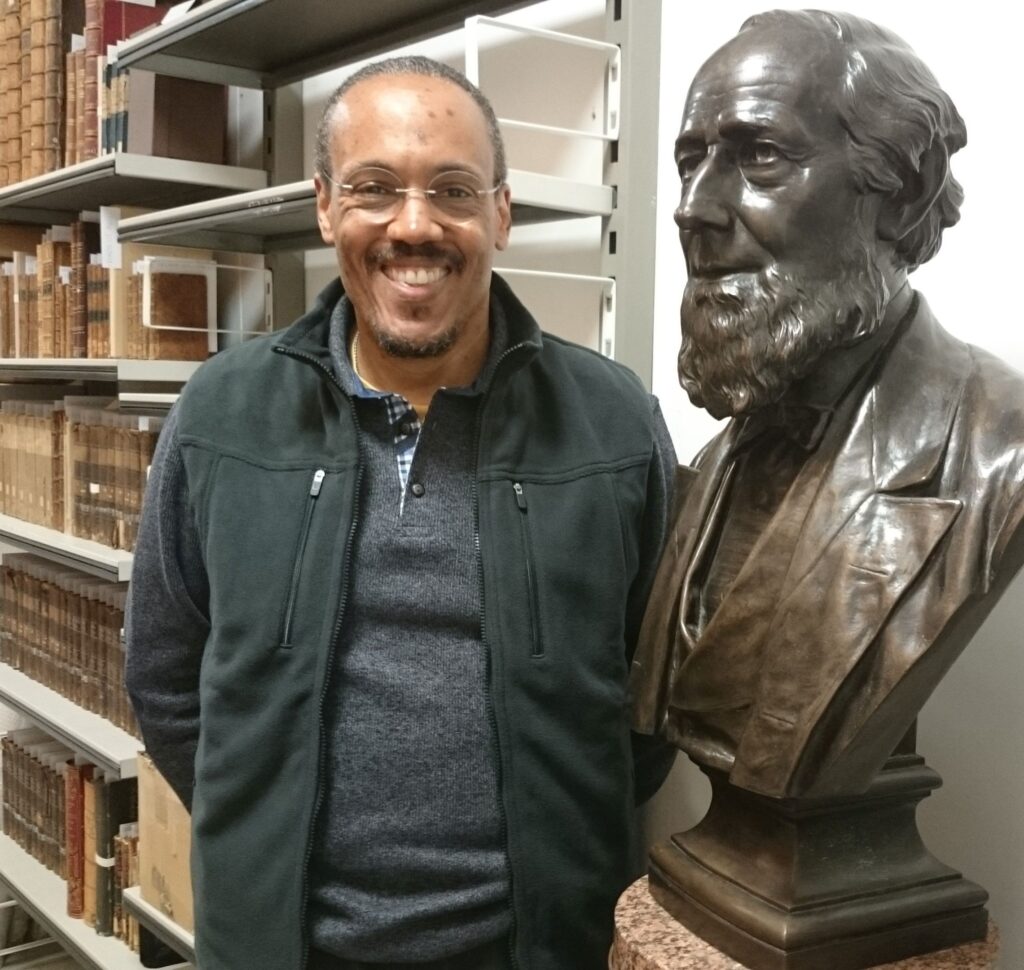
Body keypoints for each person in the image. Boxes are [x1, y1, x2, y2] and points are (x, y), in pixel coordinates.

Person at [125, 56, 676, 970]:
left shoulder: (613, 424)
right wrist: (259, 837)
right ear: (325, 205)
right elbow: (167, 681)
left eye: (453, 190)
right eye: (374, 189)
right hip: (280, 948)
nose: (414, 225)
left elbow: (650, 708)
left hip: (543, 946)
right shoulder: (221, 416)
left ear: (501, 211)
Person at [630, 10, 1024, 801]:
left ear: (903, 192)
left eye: (762, 156)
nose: (692, 209)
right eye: (690, 162)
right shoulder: (713, 466)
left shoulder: (998, 454)